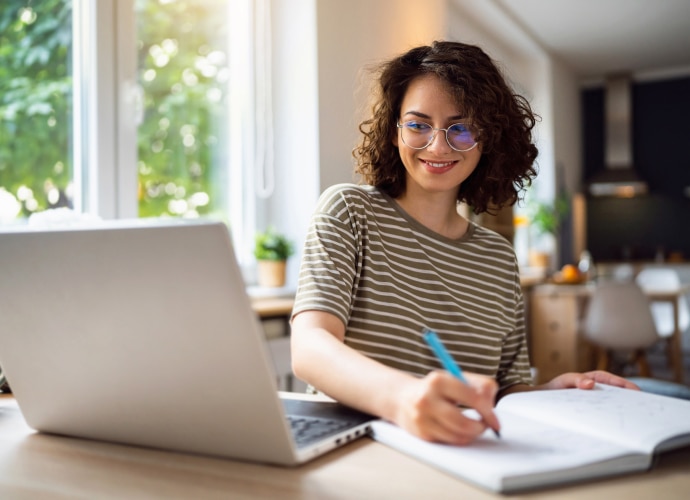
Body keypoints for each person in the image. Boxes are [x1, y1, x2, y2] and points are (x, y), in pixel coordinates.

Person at [290, 40, 637, 445]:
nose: (438, 146)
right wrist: (402, 398)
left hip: (462, 453)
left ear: (488, 138)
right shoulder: (349, 211)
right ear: (393, 131)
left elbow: (507, 391)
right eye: (419, 124)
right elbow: (311, 347)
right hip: (355, 448)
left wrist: (553, 395)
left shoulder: (498, 258)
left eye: (462, 128)